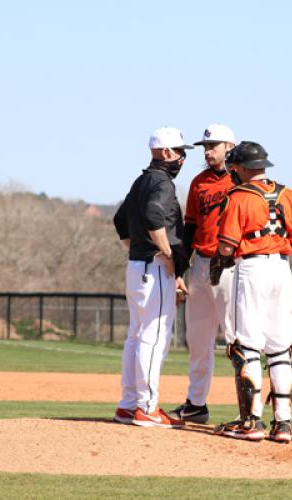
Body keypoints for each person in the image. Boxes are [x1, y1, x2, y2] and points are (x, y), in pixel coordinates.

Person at [211, 141, 292, 443]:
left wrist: (218, 260)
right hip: (281, 268)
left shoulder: (238, 197)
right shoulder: (289, 195)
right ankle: (283, 424)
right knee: (280, 347)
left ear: (240, 168)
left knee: (246, 345)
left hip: (251, 268)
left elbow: (227, 245)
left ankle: (251, 422)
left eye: (233, 167)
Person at [112, 126, 192, 428]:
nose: (183, 158)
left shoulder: (142, 179)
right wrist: (167, 255)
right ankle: (146, 407)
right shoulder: (162, 183)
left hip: (137, 267)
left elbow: (120, 220)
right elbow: (153, 215)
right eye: (181, 152)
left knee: (136, 335)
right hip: (155, 267)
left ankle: (128, 404)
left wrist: (138, 250)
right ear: (169, 153)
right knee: (154, 338)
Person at [168, 124, 236, 424]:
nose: (208, 151)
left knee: (237, 338)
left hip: (232, 266)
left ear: (229, 147)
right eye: (206, 146)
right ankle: (196, 404)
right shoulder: (199, 183)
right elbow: (190, 229)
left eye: (214, 145)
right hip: (200, 266)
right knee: (198, 339)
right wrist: (179, 270)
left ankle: (249, 410)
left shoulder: (242, 180)